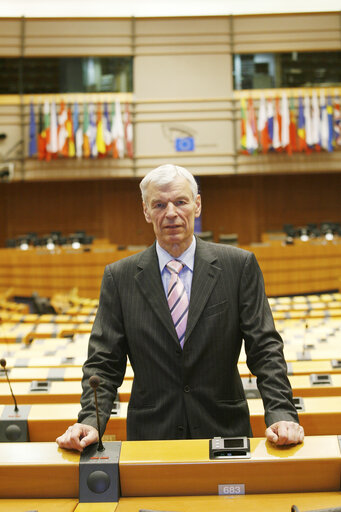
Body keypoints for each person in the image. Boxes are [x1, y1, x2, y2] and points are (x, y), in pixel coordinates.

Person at [56, 164, 304, 452]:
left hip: (224, 427)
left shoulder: (238, 266)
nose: (171, 213)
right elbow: (104, 362)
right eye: (159, 204)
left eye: (180, 202)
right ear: (146, 211)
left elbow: (265, 349)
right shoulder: (119, 277)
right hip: (152, 434)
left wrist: (281, 413)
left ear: (197, 205)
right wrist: (90, 419)